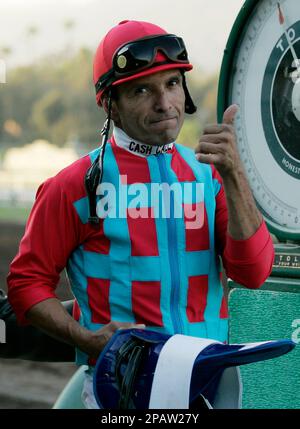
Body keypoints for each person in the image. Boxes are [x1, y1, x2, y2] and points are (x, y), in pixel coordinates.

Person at [7, 20, 274, 408]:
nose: (164, 103)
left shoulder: (211, 175)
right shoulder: (72, 185)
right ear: (109, 103)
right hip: (122, 386)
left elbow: (253, 273)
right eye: (142, 90)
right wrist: (86, 338)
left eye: (172, 84)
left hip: (208, 383)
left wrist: (235, 176)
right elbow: (25, 285)